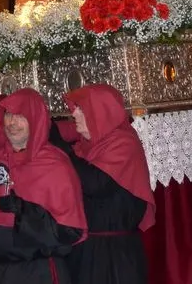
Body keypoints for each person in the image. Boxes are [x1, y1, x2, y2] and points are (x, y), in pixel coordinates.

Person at [0, 88, 87, 284]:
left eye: (20, 116)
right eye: (8, 115)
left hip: (35, 272)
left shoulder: (54, 165)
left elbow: (69, 232)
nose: (11, 122)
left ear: (35, 120)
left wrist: (26, 212)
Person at [49, 84, 154, 284]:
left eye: (81, 109)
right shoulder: (87, 145)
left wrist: (63, 150)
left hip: (115, 256)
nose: (74, 113)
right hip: (86, 250)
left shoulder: (124, 143)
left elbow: (95, 183)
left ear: (100, 112)